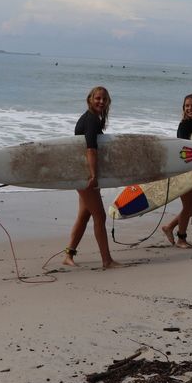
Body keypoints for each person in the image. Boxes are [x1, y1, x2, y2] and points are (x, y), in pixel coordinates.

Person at [63, 86, 123, 269]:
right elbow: (90, 148)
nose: (101, 102)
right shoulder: (91, 120)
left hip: (81, 173)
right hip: (86, 175)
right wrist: (94, 175)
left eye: (104, 99)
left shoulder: (92, 118)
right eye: (98, 98)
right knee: (100, 215)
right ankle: (106, 260)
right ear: (90, 99)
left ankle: (68, 255)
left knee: (84, 215)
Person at [162, 93, 192, 248]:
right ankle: (181, 238)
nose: (190, 108)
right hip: (185, 170)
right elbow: (185, 152)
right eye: (187, 106)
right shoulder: (184, 126)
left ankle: (169, 227)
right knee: (188, 206)